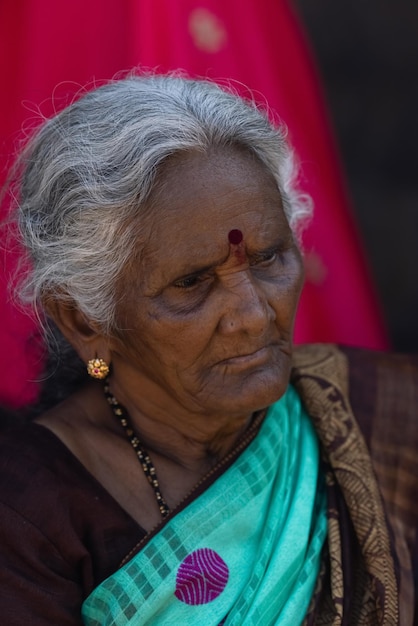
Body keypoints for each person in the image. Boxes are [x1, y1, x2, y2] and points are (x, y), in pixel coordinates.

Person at [0, 72, 417, 625]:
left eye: (269, 257)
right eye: (192, 283)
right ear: (83, 318)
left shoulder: (386, 415)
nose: (252, 314)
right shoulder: (26, 514)